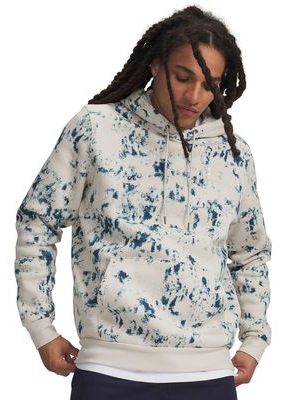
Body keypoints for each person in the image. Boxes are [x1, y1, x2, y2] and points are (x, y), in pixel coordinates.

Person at [14, 5, 272, 400]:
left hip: (208, 371)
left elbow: (249, 251)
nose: (194, 96)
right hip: (109, 367)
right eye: (183, 77)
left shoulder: (232, 153)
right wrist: (40, 327)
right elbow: (38, 220)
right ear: (155, 65)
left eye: (210, 84)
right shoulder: (96, 128)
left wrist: (254, 339)